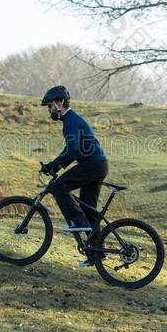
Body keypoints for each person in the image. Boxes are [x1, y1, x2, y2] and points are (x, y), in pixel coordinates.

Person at [40, 86, 108, 266]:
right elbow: (70, 149)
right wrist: (55, 164)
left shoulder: (70, 120)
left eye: (50, 106)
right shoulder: (71, 119)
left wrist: (55, 165)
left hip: (92, 165)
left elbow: (73, 150)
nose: (49, 110)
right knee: (89, 208)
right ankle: (97, 253)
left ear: (59, 103)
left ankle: (77, 221)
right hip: (98, 164)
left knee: (58, 187)